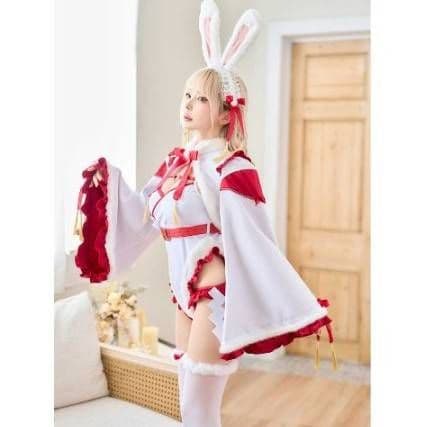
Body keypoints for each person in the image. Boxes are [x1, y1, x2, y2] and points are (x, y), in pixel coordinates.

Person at [72, 1, 337, 426]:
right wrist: (109, 180)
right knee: (188, 402)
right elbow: (144, 216)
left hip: (215, 291)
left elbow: (254, 239)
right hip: (183, 291)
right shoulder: (175, 163)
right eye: (188, 95)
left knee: (199, 406)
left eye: (201, 99)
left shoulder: (232, 167)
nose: (189, 104)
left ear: (226, 111)